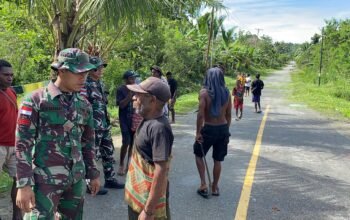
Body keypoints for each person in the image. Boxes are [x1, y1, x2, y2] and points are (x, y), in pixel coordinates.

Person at [15, 48, 101, 219]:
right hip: (44, 181)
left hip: (75, 180)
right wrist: (24, 185)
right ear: (61, 70)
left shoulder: (84, 104)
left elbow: (88, 143)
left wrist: (93, 174)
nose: (83, 77)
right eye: (78, 72)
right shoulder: (36, 101)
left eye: (86, 72)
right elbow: (22, 144)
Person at [124, 76, 173, 220]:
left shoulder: (159, 128)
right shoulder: (147, 120)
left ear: (152, 100)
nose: (134, 98)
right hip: (139, 197)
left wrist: (149, 211)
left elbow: (161, 170)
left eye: (139, 95)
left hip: (147, 202)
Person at [82, 56, 124, 195]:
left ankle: (110, 178)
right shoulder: (85, 84)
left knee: (108, 151)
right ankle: (90, 185)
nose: (100, 70)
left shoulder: (100, 83)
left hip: (104, 124)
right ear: (90, 69)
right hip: (92, 126)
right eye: (97, 68)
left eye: (101, 68)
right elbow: (82, 107)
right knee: (91, 154)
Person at [194, 67, 231, 198]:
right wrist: (227, 131)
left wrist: (198, 132)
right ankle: (214, 187)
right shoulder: (226, 92)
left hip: (209, 129)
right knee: (217, 160)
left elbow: (200, 115)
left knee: (199, 154)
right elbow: (229, 114)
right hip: (223, 129)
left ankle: (203, 183)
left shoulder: (204, 93)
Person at [0, 59, 22, 220]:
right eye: (5, 75)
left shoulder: (11, 92)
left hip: (14, 145)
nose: (10, 78)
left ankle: (17, 215)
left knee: (20, 179)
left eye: (11, 75)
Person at [116, 70, 136, 175]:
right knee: (126, 142)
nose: (134, 80)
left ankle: (129, 163)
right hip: (124, 120)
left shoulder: (137, 88)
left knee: (133, 142)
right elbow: (121, 105)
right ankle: (121, 164)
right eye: (132, 78)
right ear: (127, 79)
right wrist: (130, 95)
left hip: (135, 120)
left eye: (134, 78)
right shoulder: (121, 89)